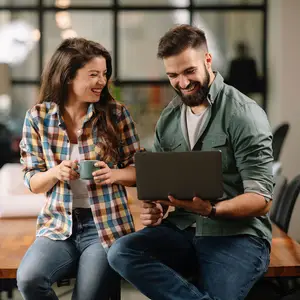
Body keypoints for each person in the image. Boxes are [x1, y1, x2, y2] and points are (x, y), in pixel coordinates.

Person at [107, 24, 273, 300]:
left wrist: (211, 210)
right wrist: (157, 208)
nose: (182, 83)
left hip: (237, 237)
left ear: (208, 60)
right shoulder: (169, 118)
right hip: (183, 229)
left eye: (189, 71)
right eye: (172, 75)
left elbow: (261, 198)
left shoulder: (244, 114)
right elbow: (161, 182)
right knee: (120, 252)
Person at [17, 37, 140, 300]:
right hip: (58, 225)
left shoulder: (116, 115)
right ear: (68, 77)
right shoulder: (38, 118)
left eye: (104, 74)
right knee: (29, 279)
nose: (102, 82)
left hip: (105, 225)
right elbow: (31, 180)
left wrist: (114, 174)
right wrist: (55, 173)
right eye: (93, 74)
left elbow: (140, 171)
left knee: (88, 295)